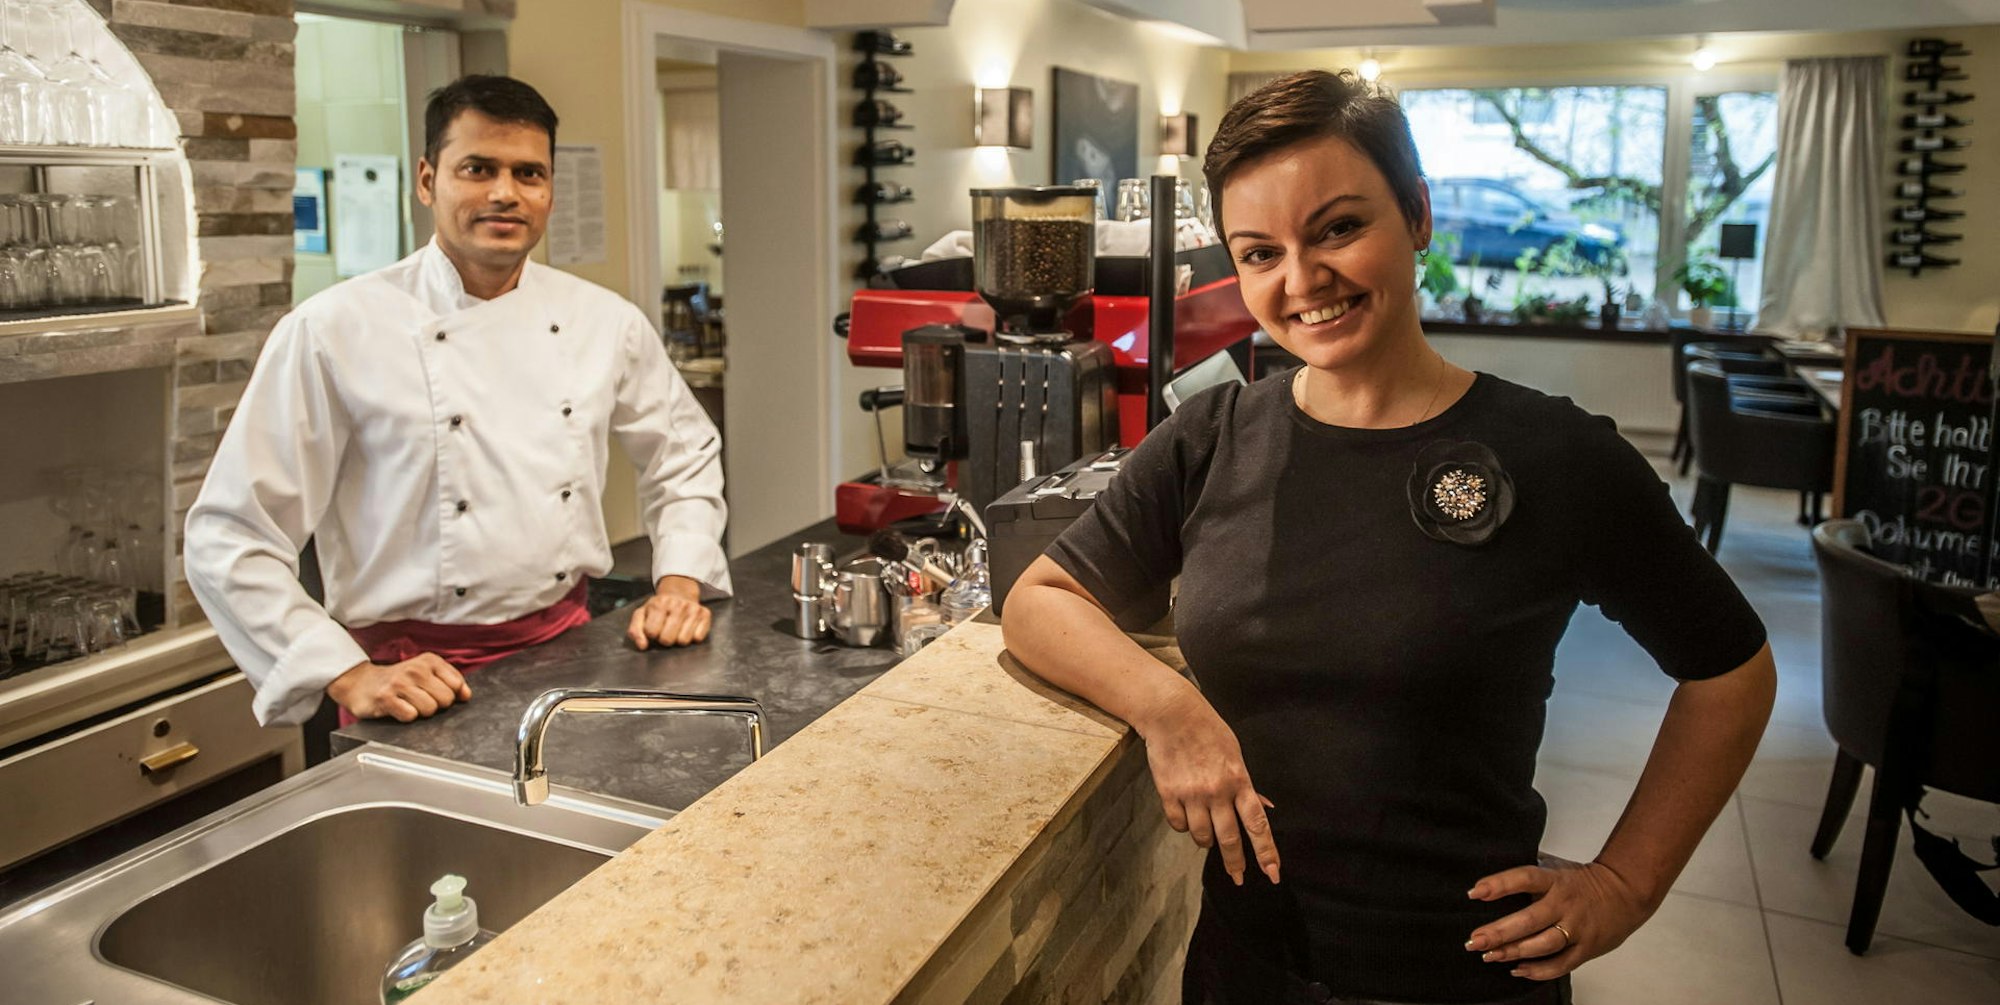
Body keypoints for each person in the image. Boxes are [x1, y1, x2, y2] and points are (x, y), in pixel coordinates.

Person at [1002, 70, 1776, 1005]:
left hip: (1462, 979)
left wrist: (1625, 883)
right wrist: (1171, 709)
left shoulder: (1557, 454)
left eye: (1338, 228)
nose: (1301, 282)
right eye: (1259, 253)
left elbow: (1731, 670)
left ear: (1417, 216)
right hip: (1244, 966)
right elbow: (1039, 602)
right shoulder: (1213, 439)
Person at [186, 75, 729, 728]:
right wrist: (349, 673)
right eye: (477, 168)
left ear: (550, 190)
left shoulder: (604, 320)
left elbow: (684, 449)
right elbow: (231, 532)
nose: (505, 193)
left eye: (529, 173)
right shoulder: (333, 328)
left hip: (576, 660)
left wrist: (678, 580)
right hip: (411, 682)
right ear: (427, 180)